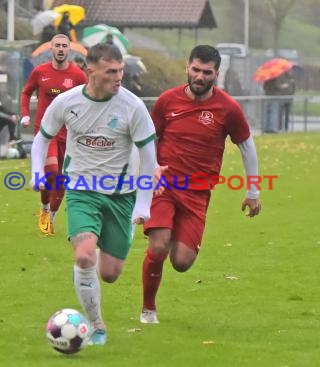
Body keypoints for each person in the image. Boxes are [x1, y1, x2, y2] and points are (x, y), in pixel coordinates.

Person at [30, 43, 158, 345]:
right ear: (91, 70)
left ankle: (104, 240)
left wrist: (143, 204)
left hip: (120, 195)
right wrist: (37, 173)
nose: (118, 78)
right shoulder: (67, 102)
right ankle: (96, 325)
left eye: (121, 71)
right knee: (85, 256)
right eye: (111, 72)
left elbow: (149, 157)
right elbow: (41, 138)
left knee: (110, 273)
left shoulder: (132, 106)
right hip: (81, 190)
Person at [139, 45, 262, 324]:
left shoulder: (228, 108)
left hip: (197, 192)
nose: (200, 76)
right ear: (187, 68)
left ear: (216, 74)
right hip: (164, 186)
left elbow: (247, 147)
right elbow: (147, 142)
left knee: (182, 262)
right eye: (195, 70)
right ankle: (148, 309)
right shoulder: (166, 102)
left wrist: (253, 190)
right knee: (158, 247)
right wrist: (145, 180)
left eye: (207, 72)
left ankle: (174, 236)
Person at [20, 34, 87, 235]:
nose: (60, 49)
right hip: (46, 130)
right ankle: (44, 207)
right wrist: (25, 114)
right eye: (57, 45)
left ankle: (52, 214)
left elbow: (86, 101)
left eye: (64, 46)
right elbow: (26, 92)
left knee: (62, 180)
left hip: (69, 133)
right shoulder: (40, 72)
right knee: (52, 172)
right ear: (51, 49)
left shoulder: (78, 76)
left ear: (69, 50)